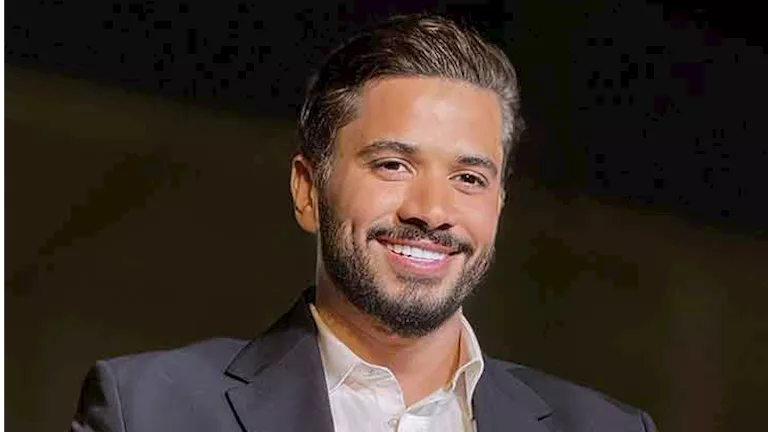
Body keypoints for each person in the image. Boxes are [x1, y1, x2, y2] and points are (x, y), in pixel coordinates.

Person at [71, 14, 656, 432]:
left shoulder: (610, 428)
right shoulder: (148, 412)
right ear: (307, 190)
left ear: (499, 206)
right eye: (392, 165)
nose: (431, 210)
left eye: (469, 177)